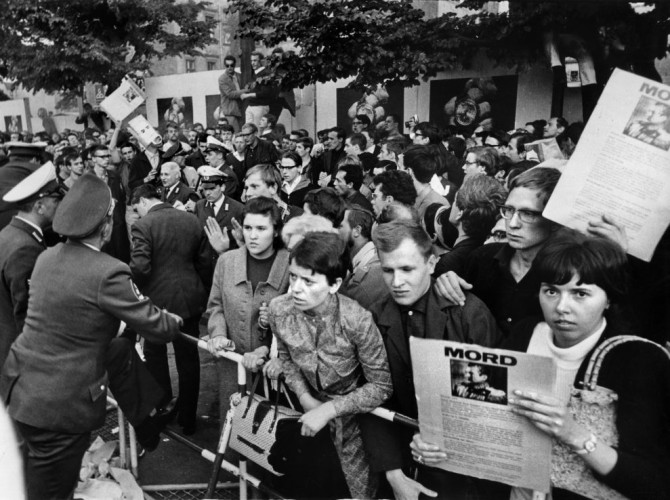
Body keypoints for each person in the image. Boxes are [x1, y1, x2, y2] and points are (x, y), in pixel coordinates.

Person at [0, 173, 182, 499]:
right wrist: (174, 321)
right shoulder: (108, 270)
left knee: (35, 479)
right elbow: (156, 325)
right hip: (61, 406)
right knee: (54, 490)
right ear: (107, 225)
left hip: (23, 390)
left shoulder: (46, 257)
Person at [507, 234, 668, 499]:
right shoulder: (525, 333)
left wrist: (573, 433)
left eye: (580, 294)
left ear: (609, 299)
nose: (561, 307)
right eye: (551, 291)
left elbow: (654, 482)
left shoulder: (638, 359)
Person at [362, 220, 502, 500]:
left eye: (407, 269)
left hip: (463, 472)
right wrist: (393, 474)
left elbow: (489, 403)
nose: (397, 282)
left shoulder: (468, 315)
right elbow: (372, 398)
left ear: (432, 263)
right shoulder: (374, 317)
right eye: (388, 270)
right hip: (400, 465)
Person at [266, 231, 393, 498]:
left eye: (309, 281)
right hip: (310, 425)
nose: (296, 289)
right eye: (293, 277)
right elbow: (287, 358)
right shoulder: (279, 309)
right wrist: (304, 397)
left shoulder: (357, 320)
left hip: (357, 429)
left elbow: (381, 385)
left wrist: (329, 410)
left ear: (334, 284)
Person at [129, 184, 209, 435]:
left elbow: (140, 267)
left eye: (136, 209)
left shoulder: (143, 226)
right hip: (190, 298)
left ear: (142, 201)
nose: (137, 213)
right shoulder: (191, 219)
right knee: (189, 359)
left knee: (155, 354)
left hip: (158, 302)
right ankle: (188, 417)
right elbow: (204, 262)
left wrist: (137, 291)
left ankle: (164, 408)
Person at [206, 197, 291, 420]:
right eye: (248, 228)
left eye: (261, 228)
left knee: (270, 437)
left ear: (275, 231)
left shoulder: (292, 265)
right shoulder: (226, 261)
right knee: (232, 433)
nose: (252, 236)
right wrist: (218, 335)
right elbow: (216, 306)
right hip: (232, 368)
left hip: (276, 376)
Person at [0, 162, 65, 368]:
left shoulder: (9, 234)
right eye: (56, 200)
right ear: (39, 206)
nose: (60, 205)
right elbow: (28, 315)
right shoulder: (25, 249)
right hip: (20, 358)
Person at [218, 55, 245, 132]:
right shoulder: (222, 78)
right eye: (227, 65)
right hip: (230, 112)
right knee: (234, 134)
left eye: (232, 65)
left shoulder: (239, 76)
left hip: (241, 111)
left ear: (234, 65)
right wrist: (245, 91)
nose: (229, 67)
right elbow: (230, 94)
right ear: (225, 66)